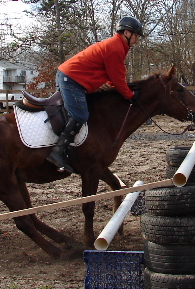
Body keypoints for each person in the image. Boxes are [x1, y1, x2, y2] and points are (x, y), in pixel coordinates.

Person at [46, 16, 143, 173]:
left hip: (70, 77)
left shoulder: (117, 46)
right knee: (80, 115)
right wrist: (130, 95)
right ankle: (57, 151)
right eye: (136, 35)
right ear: (127, 33)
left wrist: (124, 89)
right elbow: (118, 79)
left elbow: (113, 78)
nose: (137, 40)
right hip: (71, 79)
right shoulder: (116, 48)